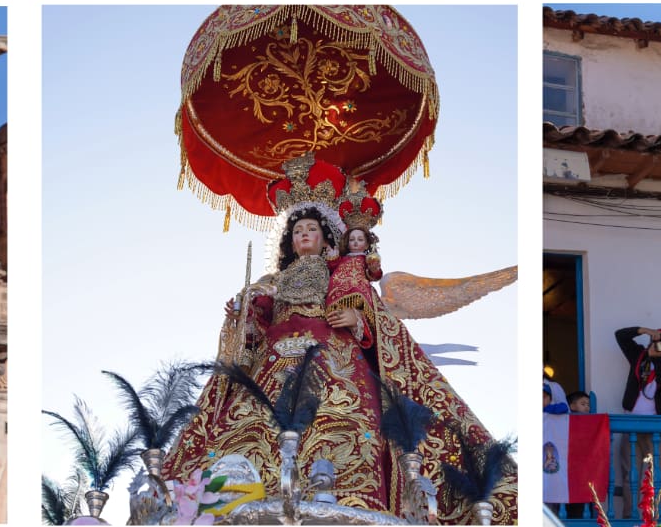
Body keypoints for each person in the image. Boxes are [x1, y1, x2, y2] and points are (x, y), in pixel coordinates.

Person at [160, 197, 516, 519]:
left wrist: (356, 319)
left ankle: (341, 500)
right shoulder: (272, 280)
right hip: (273, 363)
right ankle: (235, 499)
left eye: (311, 229)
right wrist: (242, 316)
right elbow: (252, 335)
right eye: (297, 230)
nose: (303, 234)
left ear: (327, 238)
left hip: (333, 359)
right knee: (247, 428)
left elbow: (375, 317)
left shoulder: (341, 273)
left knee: (340, 428)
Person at [616, 326, 661, 414]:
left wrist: (657, 359)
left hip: (657, 419)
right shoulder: (639, 355)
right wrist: (645, 331)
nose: (657, 346)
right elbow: (620, 335)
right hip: (631, 415)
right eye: (654, 342)